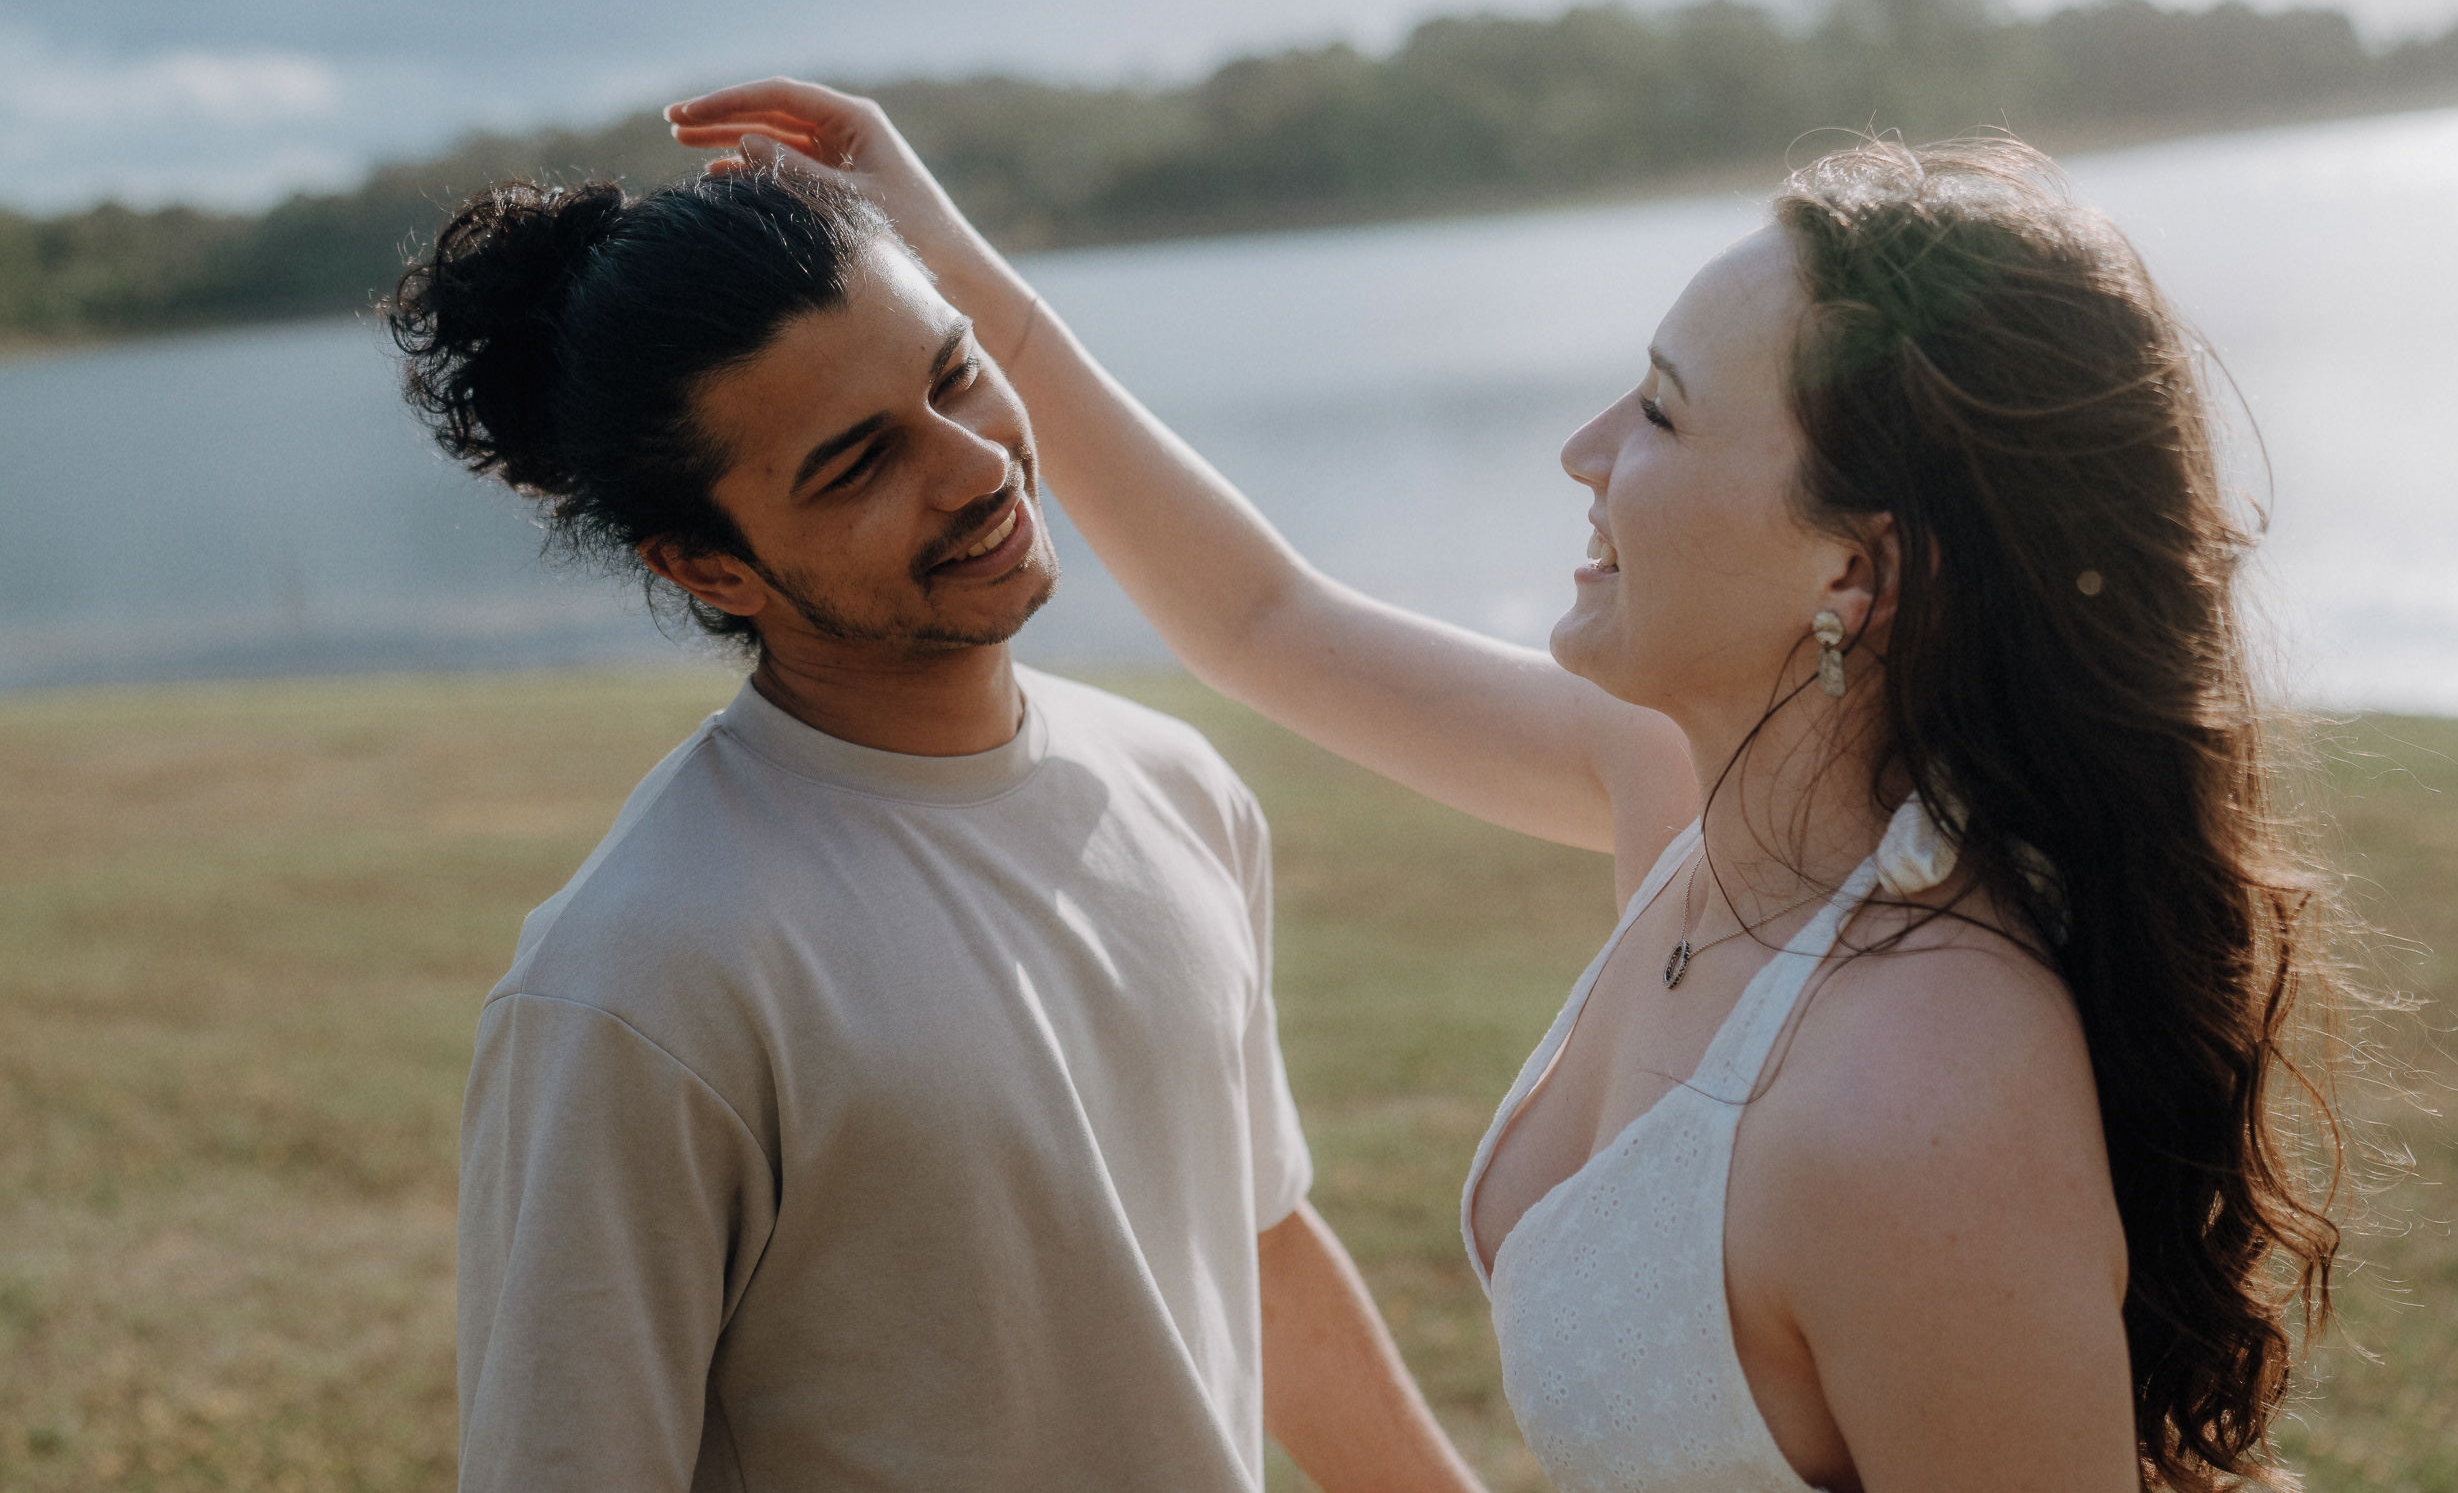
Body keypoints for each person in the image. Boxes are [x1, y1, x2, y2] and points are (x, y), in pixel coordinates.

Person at [666, 79, 2352, 1492]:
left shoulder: (1930, 1096)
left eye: (1667, 419)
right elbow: (1268, 621)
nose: (1585, 448)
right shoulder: (1704, 804)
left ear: (1856, 575)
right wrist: (950, 272)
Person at [389, 169, 1486, 1492]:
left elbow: (1253, 1245)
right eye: (861, 462)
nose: (976, 466)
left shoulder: (1175, 784)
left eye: (955, 375)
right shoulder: (640, 981)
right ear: (708, 566)